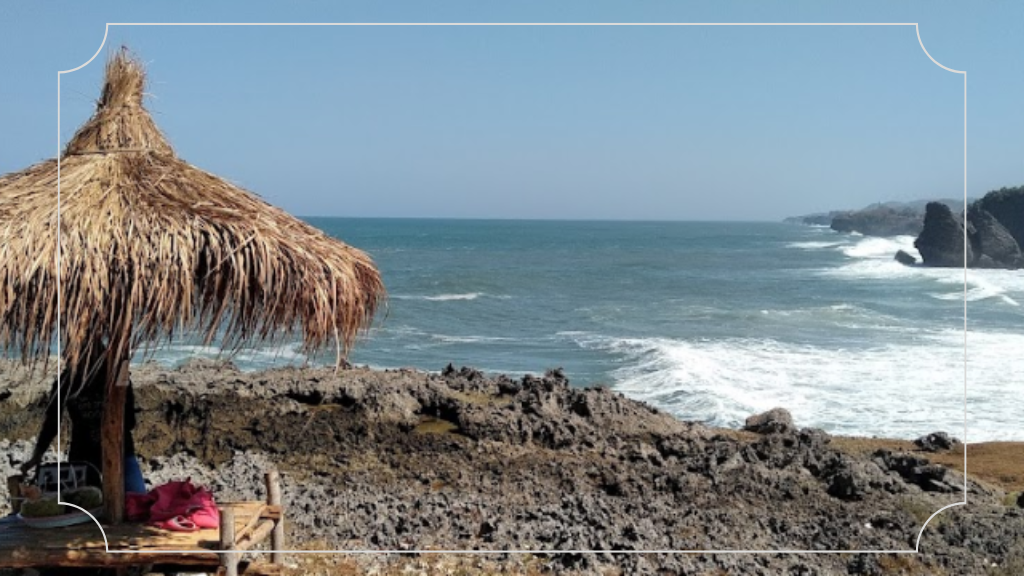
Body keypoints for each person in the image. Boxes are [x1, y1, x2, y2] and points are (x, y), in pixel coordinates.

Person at [20, 341, 147, 494]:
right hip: (85, 458)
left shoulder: (115, 381)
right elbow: (52, 422)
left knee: (135, 503)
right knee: (87, 505)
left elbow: (52, 422)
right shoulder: (67, 382)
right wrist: (37, 456)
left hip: (117, 453)